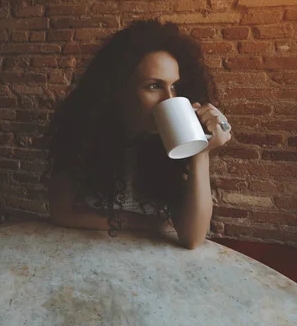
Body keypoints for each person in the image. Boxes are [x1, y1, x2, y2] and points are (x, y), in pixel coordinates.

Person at [47, 20, 232, 249]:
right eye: (154, 86)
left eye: (174, 86)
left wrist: (199, 152)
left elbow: (193, 238)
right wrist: (149, 224)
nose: (170, 99)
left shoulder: (169, 143)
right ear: (118, 89)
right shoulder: (84, 130)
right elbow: (61, 212)